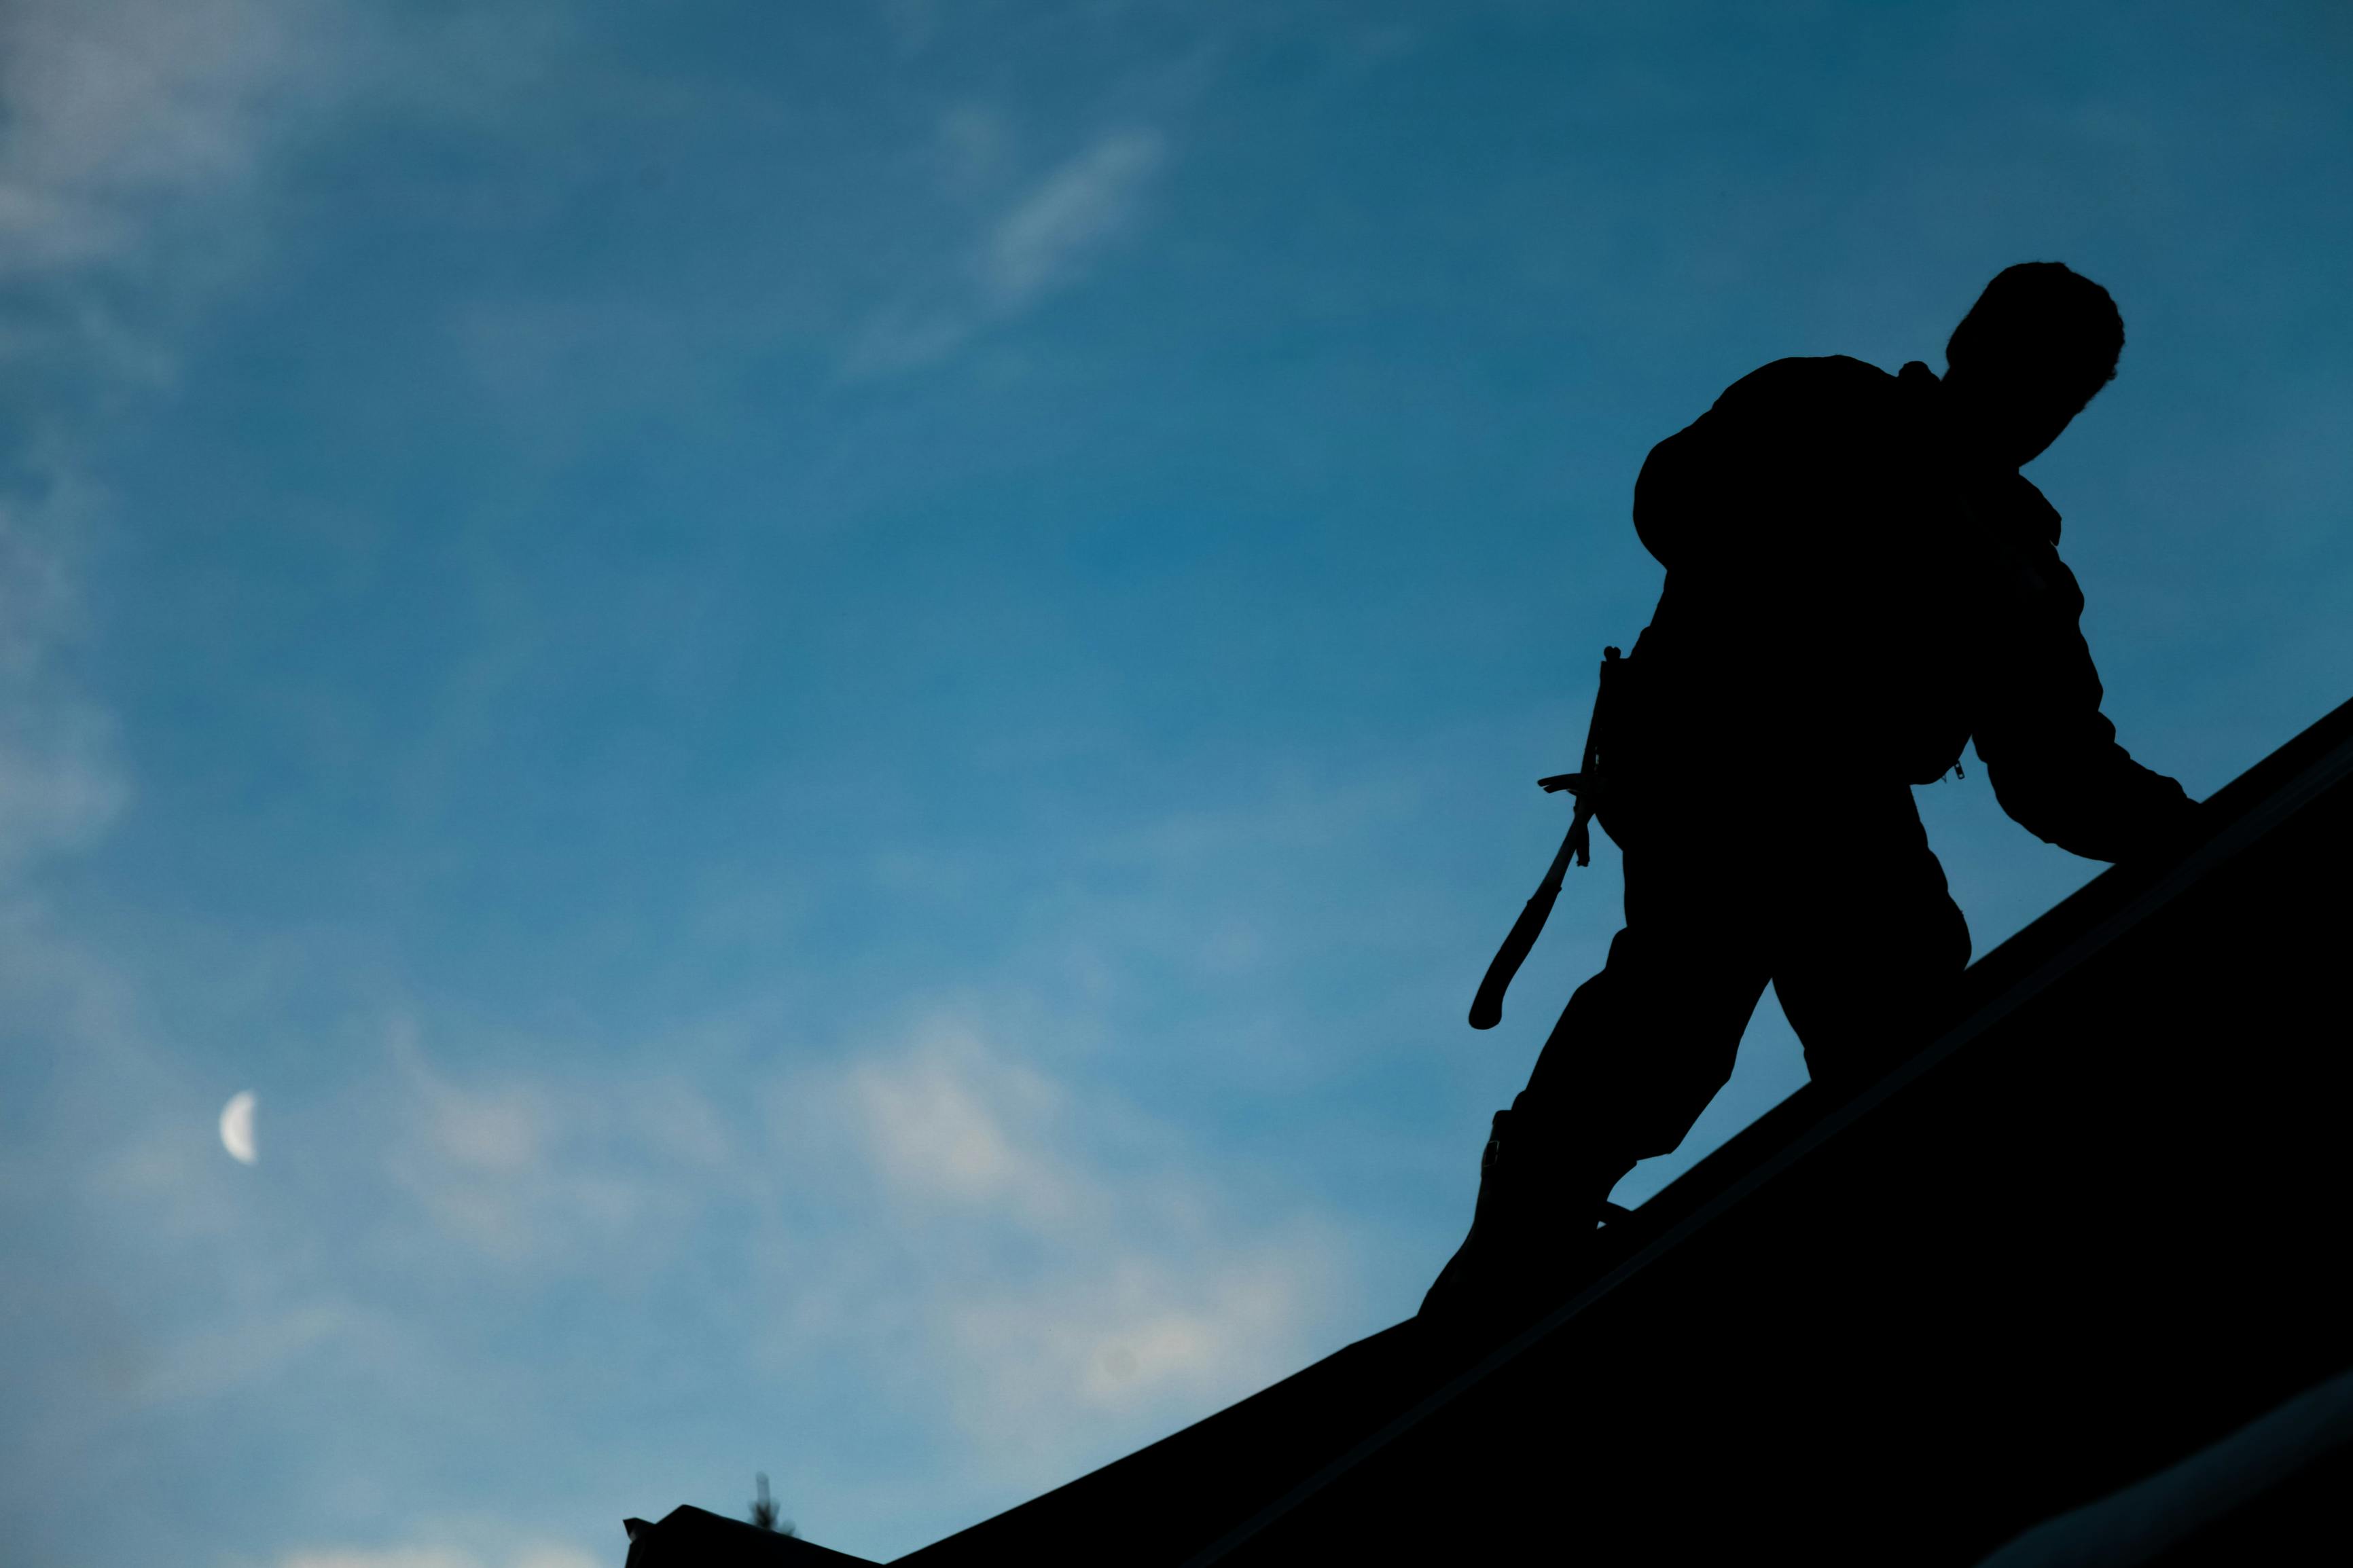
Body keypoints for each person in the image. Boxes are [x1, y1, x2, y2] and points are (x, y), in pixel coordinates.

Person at [1422, 263, 2198, 1329]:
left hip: (1844, 796)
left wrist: (2184, 837)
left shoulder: (2019, 561)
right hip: (1718, 746)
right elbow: (1673, 495)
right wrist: (1837, 535)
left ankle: (1896, 1241)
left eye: (2066, 391)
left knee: (1906, 987)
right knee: (1682, 1001)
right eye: (2031, 366)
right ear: (1973, 342)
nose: (2041, 404)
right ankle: (1519, 1238)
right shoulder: (1831, 404)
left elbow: (2056, 766)